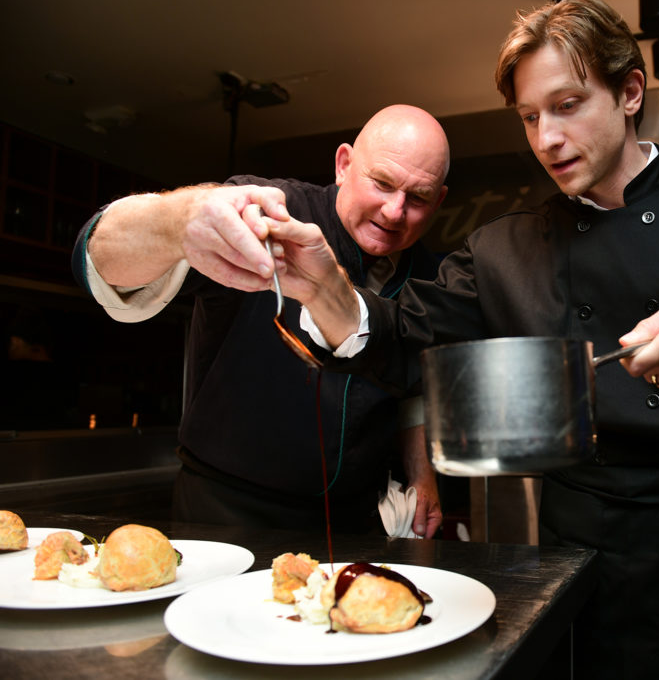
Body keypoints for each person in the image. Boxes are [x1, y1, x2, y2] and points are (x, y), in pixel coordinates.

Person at [245, 0, 659, 676]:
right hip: (575, 561)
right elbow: (397, 335)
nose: (547, 139)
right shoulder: (502, 251)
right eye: (530, 117)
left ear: (630, 93)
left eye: (566, 106)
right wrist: (324, 288)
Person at [71, 104, 448, 538]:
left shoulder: (428, 274)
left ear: (438, 200)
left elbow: (412, 387)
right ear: (344, 165)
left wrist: (422, 475)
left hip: (354, 515)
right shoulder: (267, 210)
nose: (395, 212)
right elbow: (101, 266)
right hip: (227, 505)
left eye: (418, 198)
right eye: (381, 183)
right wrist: (178, 220)